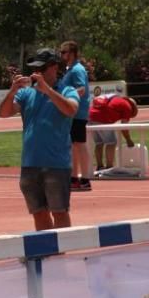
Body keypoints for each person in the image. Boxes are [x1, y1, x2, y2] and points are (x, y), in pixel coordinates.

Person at [0, 48, 80, 231]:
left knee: (59, 212)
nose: (37, 73)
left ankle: (63, 251)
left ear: (54, 67)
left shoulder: (67, 90)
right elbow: (3, 112)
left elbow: (71, 110)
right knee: (39, 213)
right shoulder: (26, 94)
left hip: (56, 163)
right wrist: (12, 91)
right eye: (35, 69)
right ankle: (47, 253)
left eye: (41, 69)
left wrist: (48, 91)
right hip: (30, 163)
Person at [61, 41, 91, 192]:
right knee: (74, 145)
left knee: (79, 144)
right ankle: (75, 178)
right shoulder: (70, 69)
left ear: (72, 53)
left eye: (64, 52)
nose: (62, 55)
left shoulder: (77, 70)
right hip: (72, 112)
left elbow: (81, 89)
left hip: (77, 112)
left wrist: (65, 100)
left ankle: (84, 179)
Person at [89, 94, 139, 171]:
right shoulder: (127, 106)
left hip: (91, 117)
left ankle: (99, 166)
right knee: (111, 143)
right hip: (103, 118)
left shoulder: (117, 99)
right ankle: (109, 168)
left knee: (99, 143)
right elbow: (124, 126)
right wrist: (128, 139)